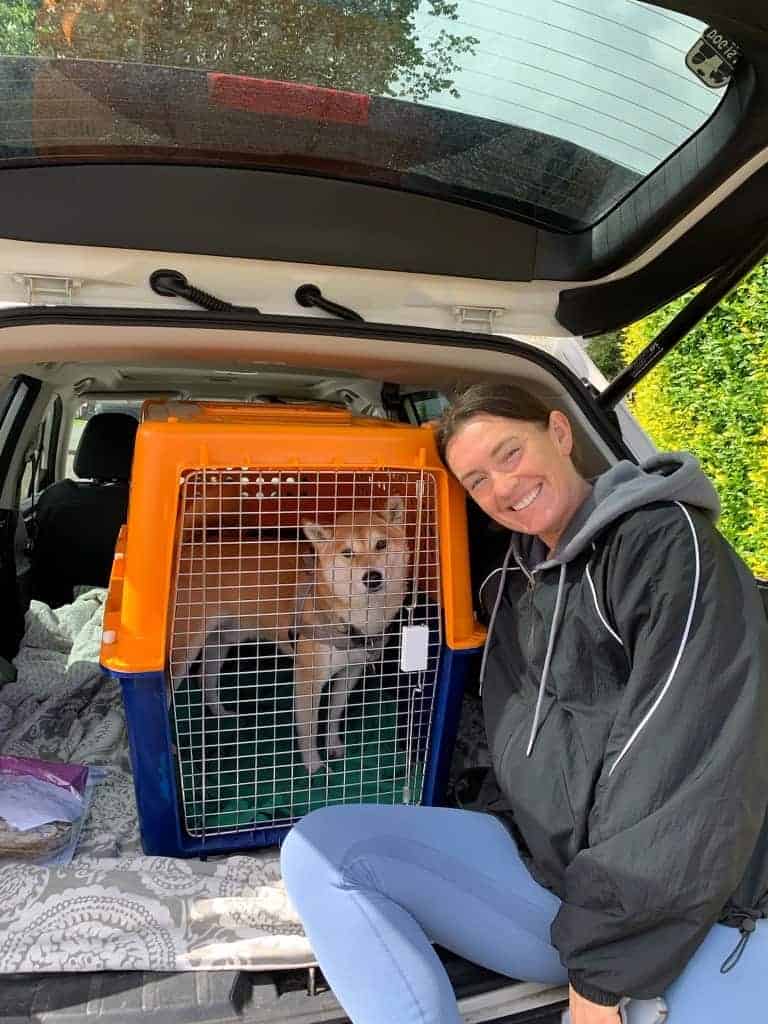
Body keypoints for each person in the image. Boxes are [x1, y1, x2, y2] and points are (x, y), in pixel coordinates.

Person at [280, 383, 768, 1024]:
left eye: (511, 454)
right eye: (478, 480)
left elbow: (683, 779)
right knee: (324, 849)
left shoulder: (665, 548)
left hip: (689, 901)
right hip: (550, 879)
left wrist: (599, 982)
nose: (503, 489)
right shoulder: (513, 576)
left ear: (560, 434)